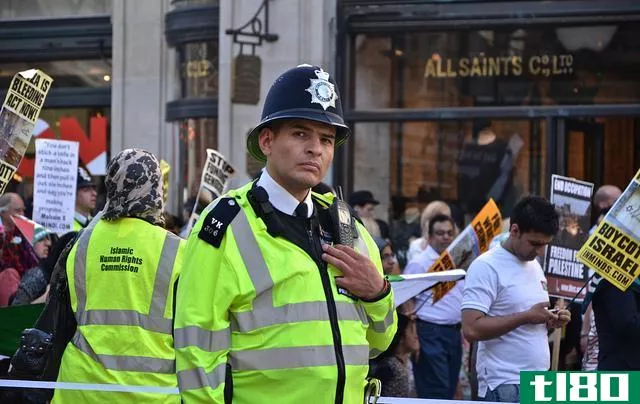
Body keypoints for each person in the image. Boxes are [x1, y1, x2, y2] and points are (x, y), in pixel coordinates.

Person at [174, 64, 397, 404]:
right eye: (300, 134)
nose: (315, 149)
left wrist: (378, 294)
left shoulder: (347, 226)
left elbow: (379, 343)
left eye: (326, 139)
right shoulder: (225, 224)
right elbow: (197, 355)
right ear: (267, 141)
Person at [49, 149, 185, 403]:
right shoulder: (177, 250)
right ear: (155, 191)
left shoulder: (80, 243)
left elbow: (57, 317)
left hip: (80, 391)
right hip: (150, 394)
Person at [461, 195, 571, 402]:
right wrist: (526, 317)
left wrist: (550, 321)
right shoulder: (486, 266)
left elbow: (529, 323)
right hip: (504, 383)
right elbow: (471, 329)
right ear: (514, 230)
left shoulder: (534, 264)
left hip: (537, 381)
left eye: (545, 244)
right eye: (535, 243)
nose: (539, 251)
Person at [404, 214, 461, 399]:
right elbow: (406, 298)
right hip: (429, 332)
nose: (446, 237)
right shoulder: (419, 263)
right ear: (429, 237)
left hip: (454, 333)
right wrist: (412, 335)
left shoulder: (457, 260)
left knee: (450, 389)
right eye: (440, 233)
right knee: (436, 391)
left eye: (449, 233)